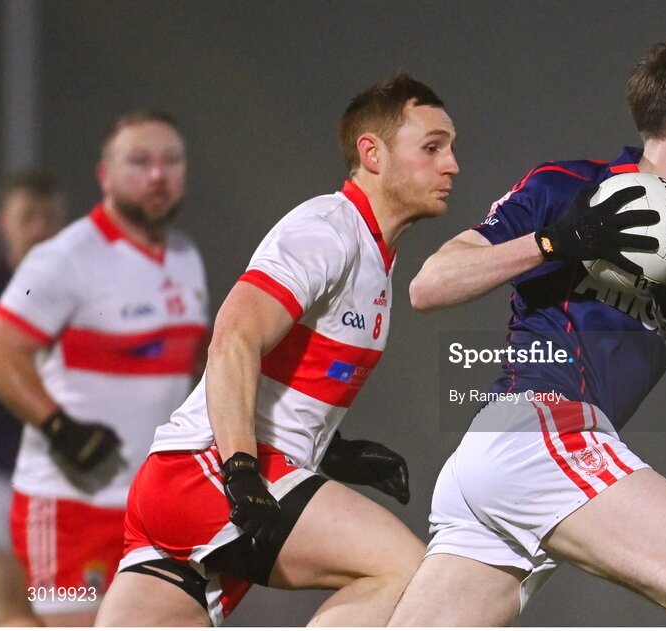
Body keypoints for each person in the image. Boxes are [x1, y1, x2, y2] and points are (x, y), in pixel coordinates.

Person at [389, 38, 666, 627]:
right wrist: (554, 242)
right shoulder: (565, 185)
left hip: (519, 467)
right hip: (538, 428)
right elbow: (428, 285)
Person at [94, 74, 458, 627]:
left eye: (451, 148)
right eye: (432, 148)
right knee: (404, 570)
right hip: (213, 477)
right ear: (373, 154)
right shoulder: (328, 228)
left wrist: (334, 451)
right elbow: (234, 336)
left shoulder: (374, 255)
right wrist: (240, 471)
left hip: (183, 485)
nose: (451, 165)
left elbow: (284, 374)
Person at [0, 111, 209, 626]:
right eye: (139, 162)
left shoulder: (185, 256)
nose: (157, 175)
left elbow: (194, 355)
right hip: (72, 507)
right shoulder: (62, 258)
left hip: (154, 506)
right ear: (105, 175)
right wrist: (61, 429)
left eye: (170, 161)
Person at [0, 171, 65, 626]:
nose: (39, 228)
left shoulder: (80, 293)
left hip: (71, 480)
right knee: (12, 610)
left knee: (69, 608)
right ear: (2, 223)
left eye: (49, 217)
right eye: (28, 216)